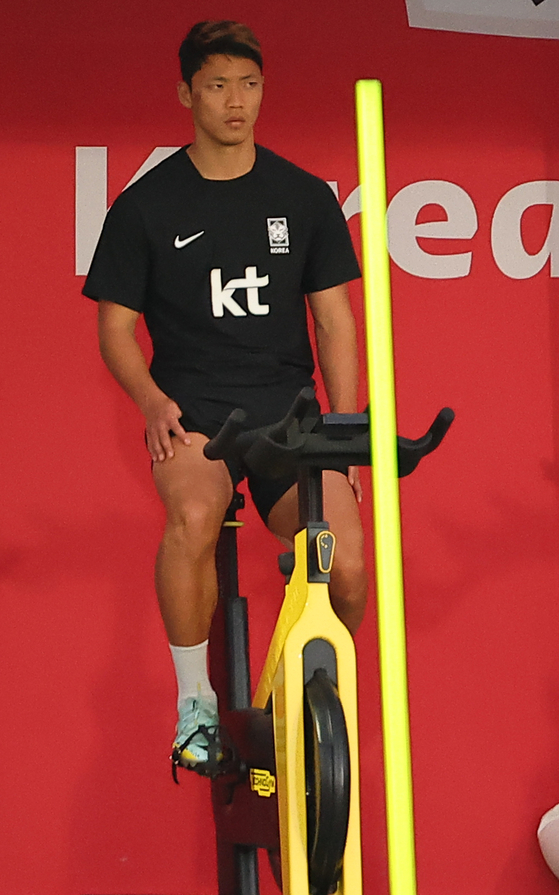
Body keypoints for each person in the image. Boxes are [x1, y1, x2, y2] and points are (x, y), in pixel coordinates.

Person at [83, 20, 368, 772]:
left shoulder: (302, 196)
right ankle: (195, 706)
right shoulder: (144, 207)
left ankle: (313, 702)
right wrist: (149, 400)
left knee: (348, 568)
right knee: (195, 515)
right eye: (216, 86)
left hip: (288, 411)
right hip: (196, 411)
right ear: (186, 94)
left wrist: (342, 431)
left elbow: (335, 320)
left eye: (248, 84)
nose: (235, 102)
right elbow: (115, 330)